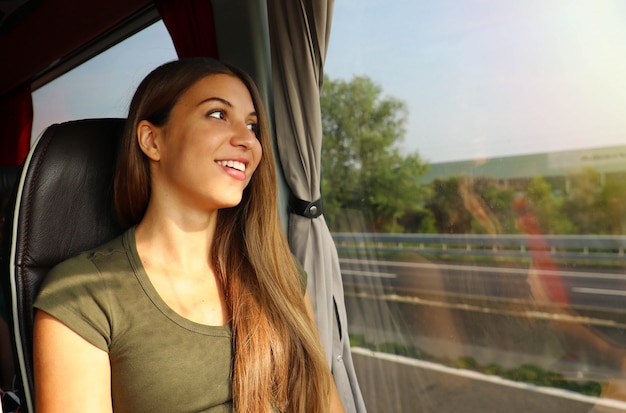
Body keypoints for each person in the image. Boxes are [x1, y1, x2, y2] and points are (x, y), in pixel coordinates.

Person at [33, 58, 345, 413]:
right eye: (217, 114)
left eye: (253, 126)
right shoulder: (83, 293)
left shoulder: (276, 269)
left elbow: (325, 403)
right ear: (152, 140)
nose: (248, 141)